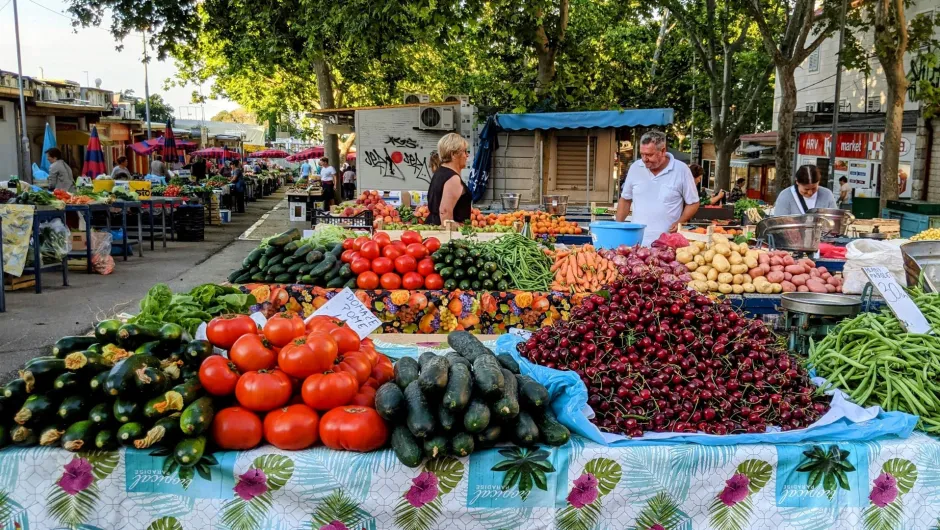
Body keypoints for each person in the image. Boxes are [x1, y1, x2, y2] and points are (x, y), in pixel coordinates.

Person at [615, 130, 699, 246]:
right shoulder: (635, 167)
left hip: (667, 245)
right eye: (642, 154)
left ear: (663, 151)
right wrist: (617, 227)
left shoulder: (682, 170)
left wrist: (680, 221)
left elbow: (693, 202)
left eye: (649, 155)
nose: (644, 159)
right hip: (636, 243)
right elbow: (625, 199)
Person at [427, 133, 472, 225]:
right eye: (465, 151)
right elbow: (445, 212)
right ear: (454, 154)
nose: (467, 155)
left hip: (434, 225)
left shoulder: (440, 172)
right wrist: (450, 235)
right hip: (445, 232)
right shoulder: (453, 178)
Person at [773, 164, 838, 215]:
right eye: (806, 189)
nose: (810, 192)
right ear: (797, 182)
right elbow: (779, 223)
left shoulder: (827, 195)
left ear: (819, 182)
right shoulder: (785, 196)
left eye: (814, 188)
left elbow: (834, 219)